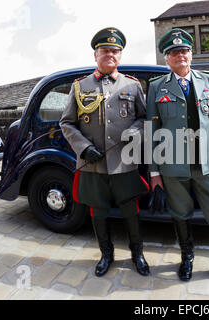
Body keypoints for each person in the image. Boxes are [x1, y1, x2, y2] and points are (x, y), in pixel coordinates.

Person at [146, 28, 209, 286]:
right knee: (180, 212)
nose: (180, 56)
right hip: (173, 165)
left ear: (191, 55)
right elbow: (151, 131)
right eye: (174, 52)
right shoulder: (156, 87)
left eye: (184, 51)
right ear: (167, 59)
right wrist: (154, 172)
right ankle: (186, 259)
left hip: (208, 164)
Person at [60, 27, 150, 277]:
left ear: (119, 56)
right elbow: (66, 123)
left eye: (115, 51)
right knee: (97, 211)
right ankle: (106, 254)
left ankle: (137, 254)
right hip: (93, 164)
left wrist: (134, 132)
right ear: (95, 55)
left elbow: (143, 118)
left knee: (130, 210)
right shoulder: (80, 87)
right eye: (105, 50)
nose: (110, 54)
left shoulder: (132, 86)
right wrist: (83, 147)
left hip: (124, 162)